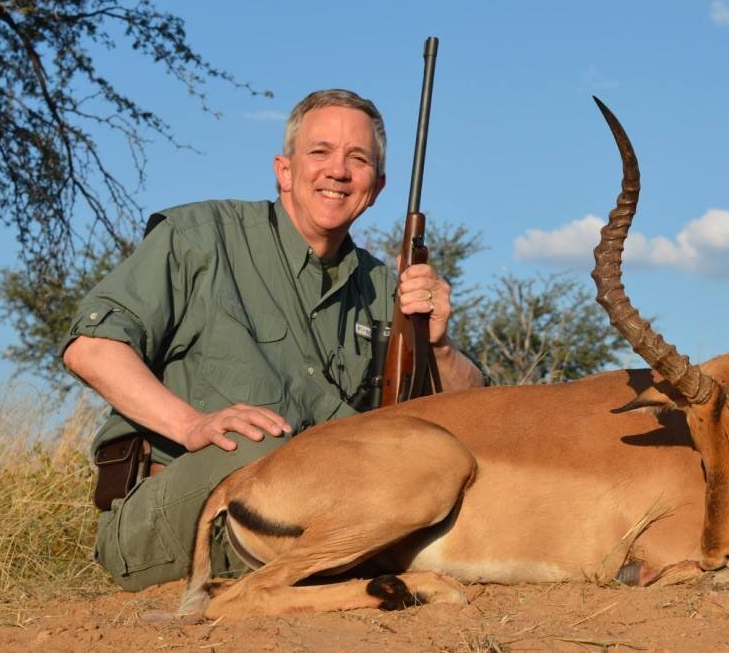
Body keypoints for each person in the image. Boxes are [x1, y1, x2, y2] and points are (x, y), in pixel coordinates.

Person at [62, 89, 485, 591]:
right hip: (179, 516)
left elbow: (472, 414)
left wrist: (437, 345)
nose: (338, 171)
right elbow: (90, 347)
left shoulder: (388, 289)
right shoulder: (200, 236)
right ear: (284, 170)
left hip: (320, 514)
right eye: (320, 152)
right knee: (263, 445)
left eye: (358, 159)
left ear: (377, 186)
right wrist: (193, 424)